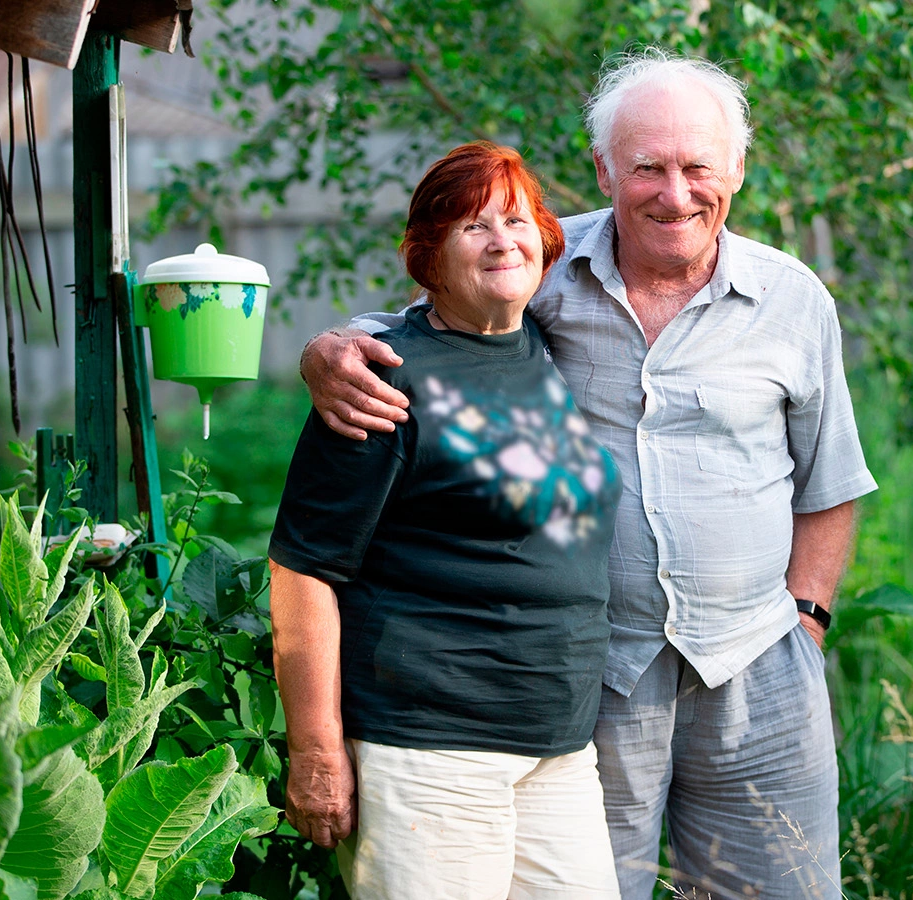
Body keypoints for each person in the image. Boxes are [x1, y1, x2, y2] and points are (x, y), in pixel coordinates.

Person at [300, 49, 877, 900]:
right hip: (598, 680)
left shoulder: (793, 302)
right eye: (647, 167)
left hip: (760, 666)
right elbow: (431, 324)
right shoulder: (542, 272)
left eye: (696, 168)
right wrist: (328, 348)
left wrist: (807, 622)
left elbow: (828, 483)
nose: (673, 194)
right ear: (605, 168)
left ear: (739, 171)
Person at [268, 140, 623, 899]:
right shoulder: (382, 378)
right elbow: (303, 567)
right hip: (427, 747)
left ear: (547, 242)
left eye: (518, 221)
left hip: (558, 748)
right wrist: (316, 749)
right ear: (428, 255)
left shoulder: (549, 350)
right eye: (474, 227)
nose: (504, 241)